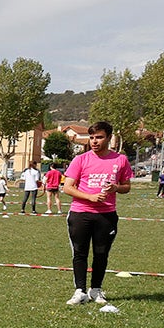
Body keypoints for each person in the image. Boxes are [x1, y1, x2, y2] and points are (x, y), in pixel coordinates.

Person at [64, 121, 131, 305]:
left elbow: (127, 187)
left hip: (106, 215)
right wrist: (90, 197)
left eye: (99, 137)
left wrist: (116, 187)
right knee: (80, 253)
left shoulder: (120, 160)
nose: (94, 141)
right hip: (80, 213)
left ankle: (96, 290)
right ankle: (80, 291)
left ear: (109, 138)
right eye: (92, 137)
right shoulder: (80, 159)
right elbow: (67, 188)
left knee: (101, 254)